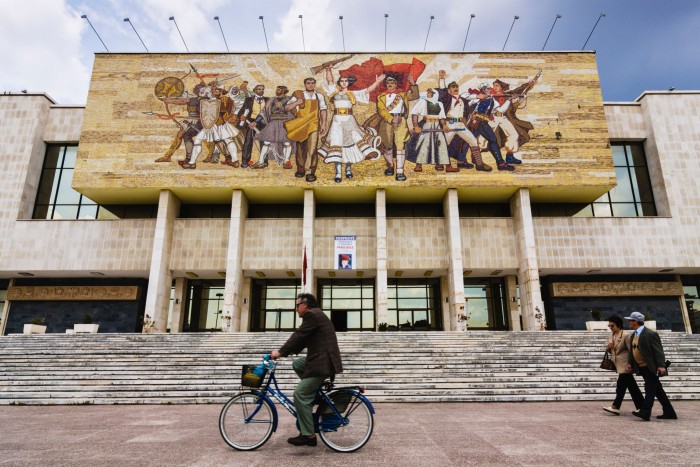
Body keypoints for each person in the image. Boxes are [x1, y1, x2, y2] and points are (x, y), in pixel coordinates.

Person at [270, 293, 343, 446]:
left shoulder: (312, 315)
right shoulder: (316, 315)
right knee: (297, 364)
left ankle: (308, 435)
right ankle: (315, 395)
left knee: (300, 393)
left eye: (297, 305)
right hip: (321, 359)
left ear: (306, 305)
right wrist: (284, 354)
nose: (296, 309)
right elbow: (302, 340)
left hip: (322, 362)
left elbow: (298, 336)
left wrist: (280, 352)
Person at [319, 66, 384, 183]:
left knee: (351, 144)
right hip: (337, 122)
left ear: (348, 83)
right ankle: (338, 173)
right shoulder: (334, 92)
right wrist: (328, 69)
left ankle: (348, 169)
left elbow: (368, 90)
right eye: (342, 81)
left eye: (346, 81)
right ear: (339, 83)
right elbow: (330, 81)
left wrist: (377, 81)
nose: (344, 82)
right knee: (337, 143)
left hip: (349, 120)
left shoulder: (353, 94)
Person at [625, 311, 677, 421]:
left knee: (650, 389)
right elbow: (632, 351)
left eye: (630, 320)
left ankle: (645, 412)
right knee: (657, 390)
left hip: (650, 367)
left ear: (636, 321)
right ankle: (669, 412)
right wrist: (630, 363)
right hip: (641, 367)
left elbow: (658, 351)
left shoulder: (650, 334)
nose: (628, 322)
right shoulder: (633, 335)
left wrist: (661, 365)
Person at [375, 75, 420, 181]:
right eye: (388, 83)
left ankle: (400, 171)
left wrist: (413, 84)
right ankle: (390, 166)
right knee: (387, 145)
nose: (390, 85)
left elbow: (415, 95)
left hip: (401, 121)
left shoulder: (402, 95)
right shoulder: (381, 96)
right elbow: (381, 110)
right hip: (387, 122)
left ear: (396, 84)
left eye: (392, 83)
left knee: (400, 145)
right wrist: (391, 119)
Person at [284, 77, 329, 182]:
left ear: (315, 84)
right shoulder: (299, 95)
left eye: (313, 83)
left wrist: (323, 124)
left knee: (312, 149)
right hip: (301, 125)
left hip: (314, 125)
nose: (310, 85)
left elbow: (323, 110)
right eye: (308, 83)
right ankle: (300, 169)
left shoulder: (319, 96)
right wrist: (297, 102)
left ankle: (309, 172)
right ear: (305, 84)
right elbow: (287, 108)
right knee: (300, 148)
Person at [602, 315, 644, 415]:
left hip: (625, 365)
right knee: (632, 387)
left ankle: (616, 406)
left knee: (620, 386)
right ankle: (643, 406)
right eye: (609, 326)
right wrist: (608, 348)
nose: (610, 328)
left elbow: (632, 351)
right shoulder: (611, 336)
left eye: (612, 326)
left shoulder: (626, 335)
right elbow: (612, 351)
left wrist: (630, 364)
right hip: (618, 364)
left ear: (618, 325)